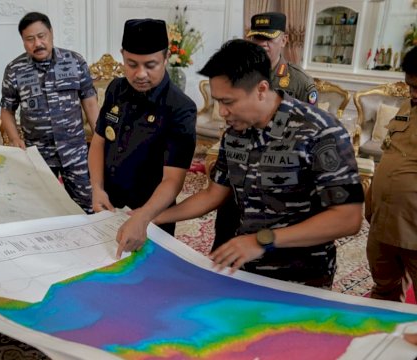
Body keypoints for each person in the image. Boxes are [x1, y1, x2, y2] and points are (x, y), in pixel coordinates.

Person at [154, 39, 363, 288]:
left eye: (228, 102)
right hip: (244, 270)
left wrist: (262, 240)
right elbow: (213, 194)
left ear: (262, 89)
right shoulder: (234, 133)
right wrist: (154, 217)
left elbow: (348, 217)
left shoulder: (320, 131)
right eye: (218, 101)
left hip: (301, 279)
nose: (221, 112)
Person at [88, 18, 196, 259]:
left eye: (151, 65)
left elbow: (173, 180)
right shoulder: (116, 88)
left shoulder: (180, 108)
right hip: (108, 206)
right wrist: (96, 188)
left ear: (166, 58)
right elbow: (99, 141)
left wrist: (144, 216)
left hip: (151, 216)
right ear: (122, 56)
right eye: (131, 64)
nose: (140, 74)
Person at [213, 12, 321, 251]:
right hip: (240, 169)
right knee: (225, 236)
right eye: (257, 40)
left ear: (284, 40)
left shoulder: (299, 82)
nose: (262, 46)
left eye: (268, 40)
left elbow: (309, 132)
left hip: (277, 178)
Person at [0, 12, 99, 213]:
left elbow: (89, 101)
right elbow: (7, 110)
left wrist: (99, 138)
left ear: (51, 33)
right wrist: (14, 138)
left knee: (88, 206)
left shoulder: (74, 61)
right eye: (30, 39)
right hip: (38, 155)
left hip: (75, 151)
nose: (38, 43)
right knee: (42, 210)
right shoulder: (14, 70)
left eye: (42, 36)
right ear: (23, 41)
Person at [366, 46, 417, 302]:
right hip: (384, 220)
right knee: (383, 288)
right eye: (410, 86)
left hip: (414, 229)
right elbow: (391, 152)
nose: (412, 94)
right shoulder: (409, 104)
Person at [247, 12, 318, 105]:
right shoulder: (242, 73)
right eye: (257, 38)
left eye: (268, 38)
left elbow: (311, 118)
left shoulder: (301, 81)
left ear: (283, 40)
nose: (262, 43)